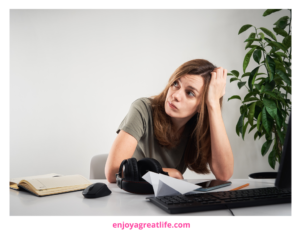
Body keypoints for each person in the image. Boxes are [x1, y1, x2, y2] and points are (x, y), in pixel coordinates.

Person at [105, 59, 234, 183]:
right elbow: (113, 172)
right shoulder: (142, 109)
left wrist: (213, 104)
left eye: (190, 93)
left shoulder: (196, 128)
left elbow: (224, 174)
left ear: (202, 106)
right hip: (130, 198)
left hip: (165, 201)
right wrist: (169, 173)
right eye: (176, 84)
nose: (175, 95)